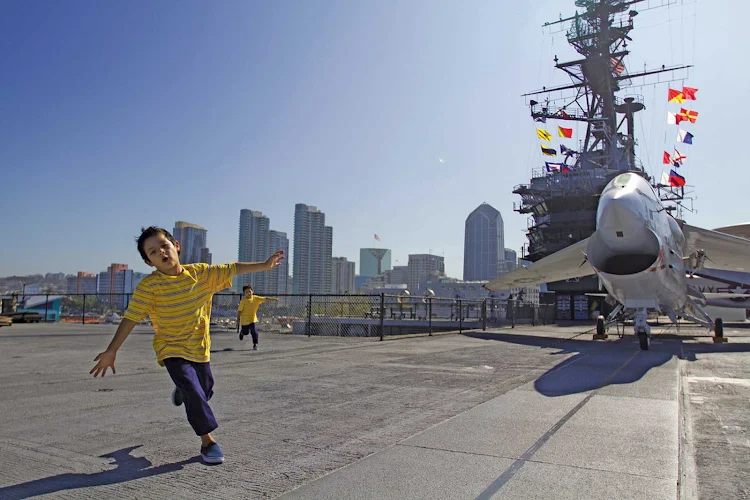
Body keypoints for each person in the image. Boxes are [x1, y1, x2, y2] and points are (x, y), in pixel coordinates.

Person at [89, 226, 283, 465]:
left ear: (176, 246)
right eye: (152, 252)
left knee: (205, 390)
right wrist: (112, 350)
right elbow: (131, 318)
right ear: (148, 261)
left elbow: (233, 268)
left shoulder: (201, 274)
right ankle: (208, 442)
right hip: (171, 348)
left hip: (200, 348)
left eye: (164, 246)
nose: (161, 252)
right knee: (194, 391)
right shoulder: (150, 287)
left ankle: (183, 390)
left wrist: (264, 265)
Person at [236, 285, 280, 349]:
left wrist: (274, 299)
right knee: (246, 332)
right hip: (244, 321)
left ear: (252, 291)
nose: (248, 293)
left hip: (252, 320)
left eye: (249, 291)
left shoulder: (256, 298)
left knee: (254, 332)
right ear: (244, 294)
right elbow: (239, 311)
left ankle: (255, 344)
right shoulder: (243, 301)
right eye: (246, 292)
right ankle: (242, 332)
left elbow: (265, 298)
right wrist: (238, 320)